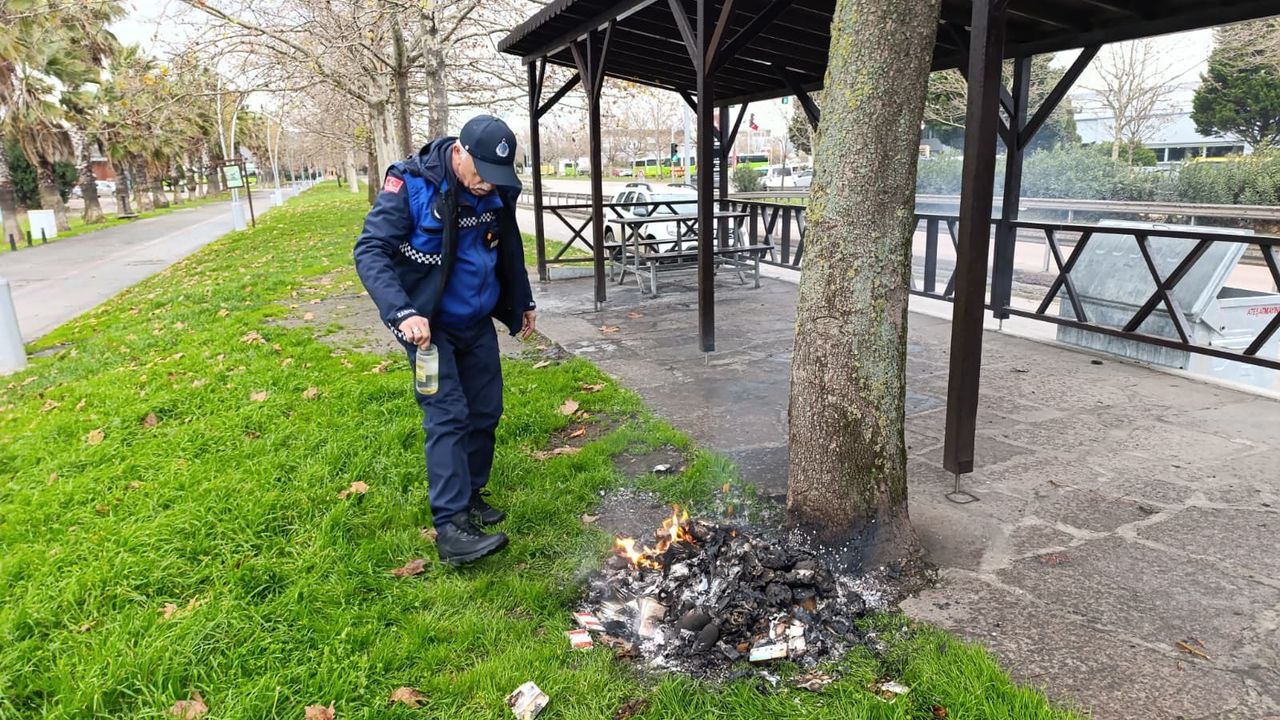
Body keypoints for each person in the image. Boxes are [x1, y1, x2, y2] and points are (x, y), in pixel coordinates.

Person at [354, 115, 536, 566]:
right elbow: (370, 251)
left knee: (486, 409)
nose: (487, 186)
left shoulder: (495, 188)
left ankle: (471, 495)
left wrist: (521, 301)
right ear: (460, 153)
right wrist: (402, 312)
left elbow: (508, 245)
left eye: (497, 178)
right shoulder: (411, 184)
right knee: (448, 414)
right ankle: (451, 527)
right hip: (428, 325)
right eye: (481, 174)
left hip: (475, 322)